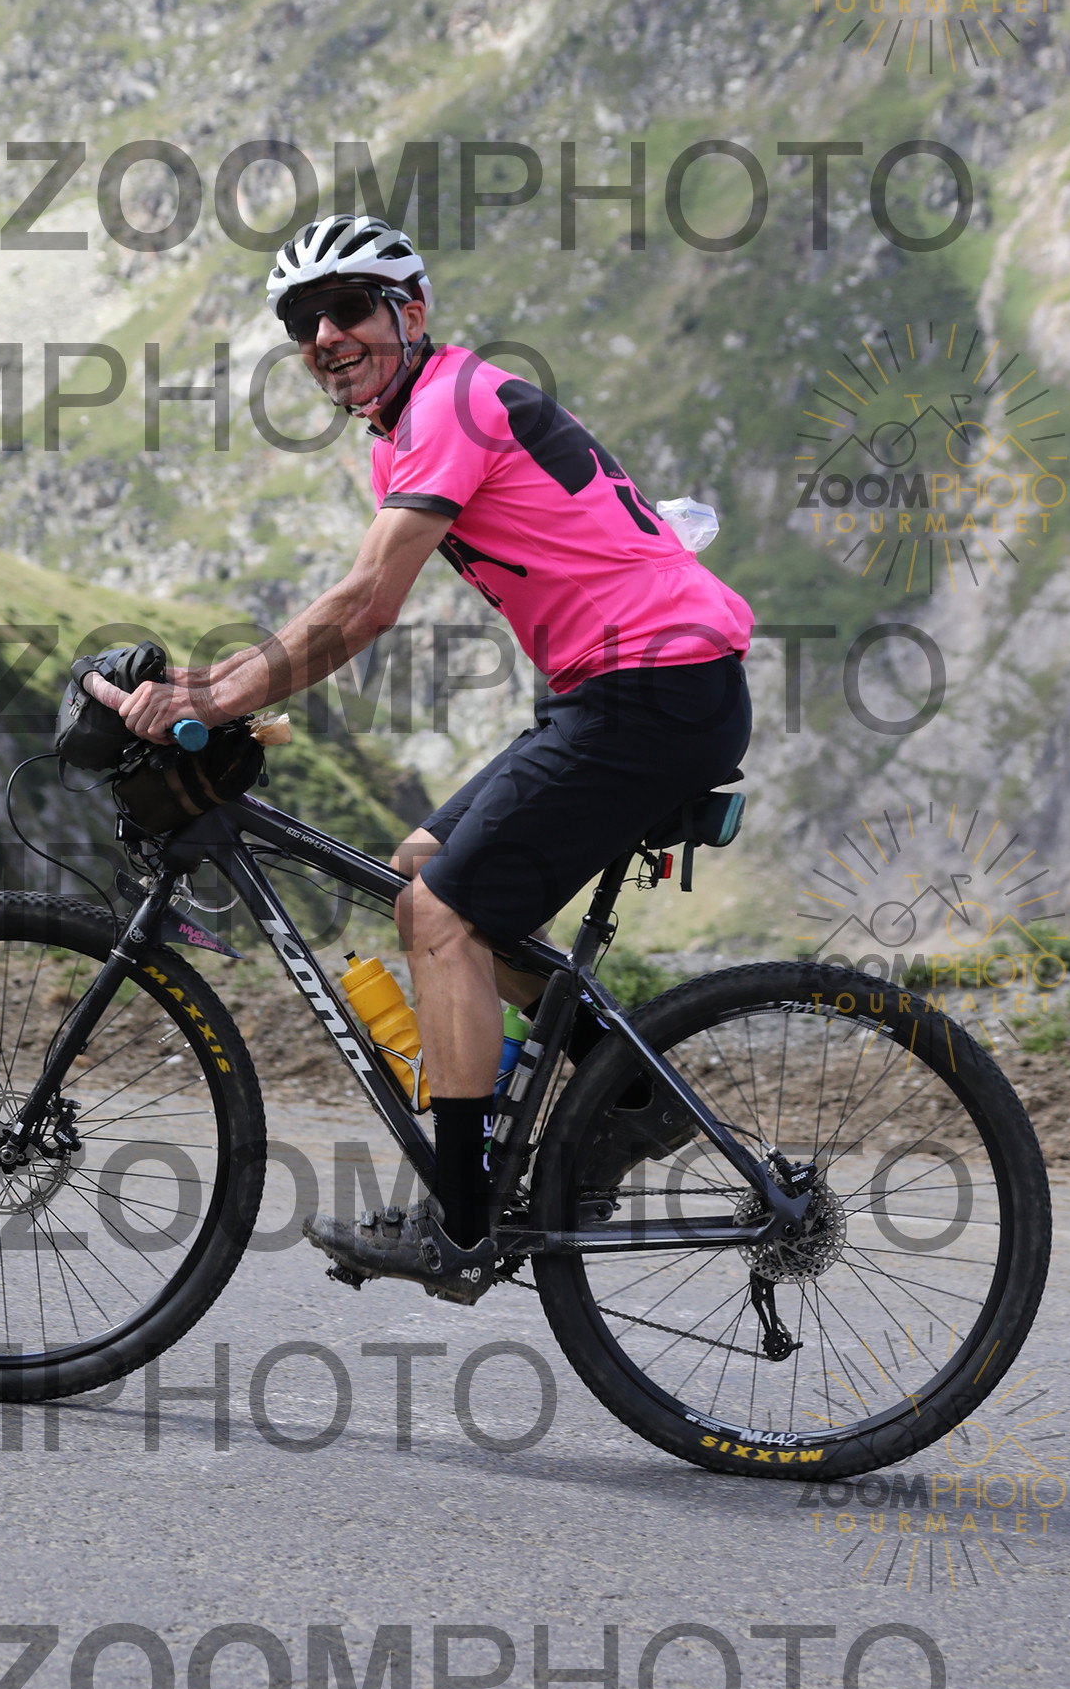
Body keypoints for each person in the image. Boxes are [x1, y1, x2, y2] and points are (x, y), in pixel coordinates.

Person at [87, 215, 753, 1298]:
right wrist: (214, 690)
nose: (325, 337)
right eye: (303, 323)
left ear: (411, 313)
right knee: (419, 870)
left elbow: (363, 607)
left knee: (441, 916)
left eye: (347, 308)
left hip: (651, 690)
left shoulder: (448, 402)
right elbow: (356, 600)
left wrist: (215, 696)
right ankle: (629, 1096)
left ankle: (461, 1219)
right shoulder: (405, 429)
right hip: (616, 691)